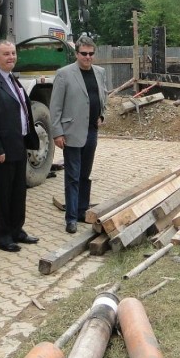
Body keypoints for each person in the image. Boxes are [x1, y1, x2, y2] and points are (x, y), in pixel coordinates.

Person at [0, 39, 41, 252]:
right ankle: (2, 236)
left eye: (13, 53)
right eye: (6, 54)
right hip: (2, 150)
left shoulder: (12, 79)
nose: (11, 57)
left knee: (18, 192)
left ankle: (16, 230)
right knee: (2, 194)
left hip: (18, 144)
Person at [50, 35, 108, 234]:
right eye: (84, 54)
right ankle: (71, 218)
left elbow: (103, 96)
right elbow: (55, 106)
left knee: (85, 174)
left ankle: (83, 211)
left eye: (91, 54)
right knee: (73, 176)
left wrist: (102, 114)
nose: (88, 57)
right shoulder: (64, 74)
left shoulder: (99, 72)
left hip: (91, 131)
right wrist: (57, 132)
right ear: (77, 53)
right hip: (71, 132)